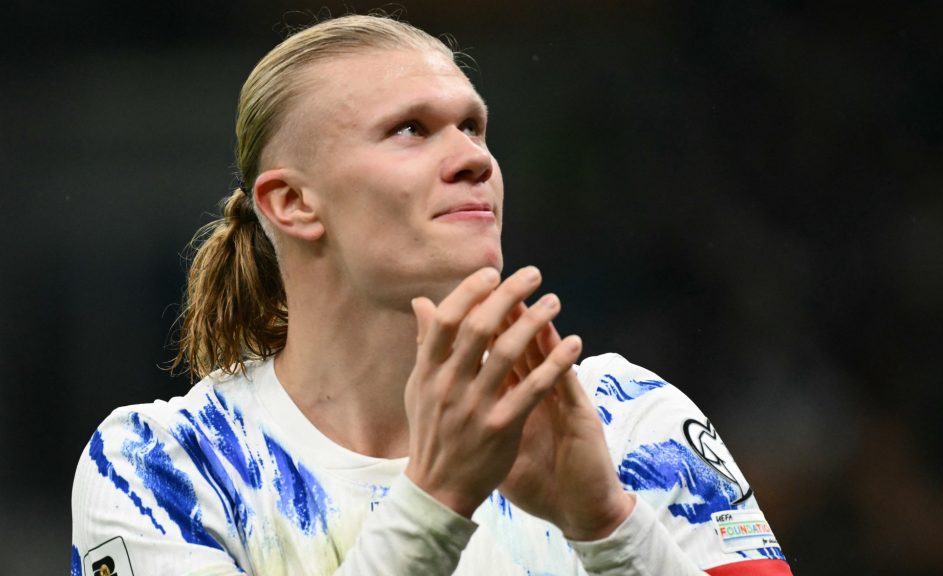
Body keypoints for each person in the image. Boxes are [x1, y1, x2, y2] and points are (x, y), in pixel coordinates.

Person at [71, 14, 793, 576]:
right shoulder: (164, 466)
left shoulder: (627, 423)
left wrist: (607, 523)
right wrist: (435, 499)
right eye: (411, 130)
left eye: (474, 127)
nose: (474, 159)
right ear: (292, 203)